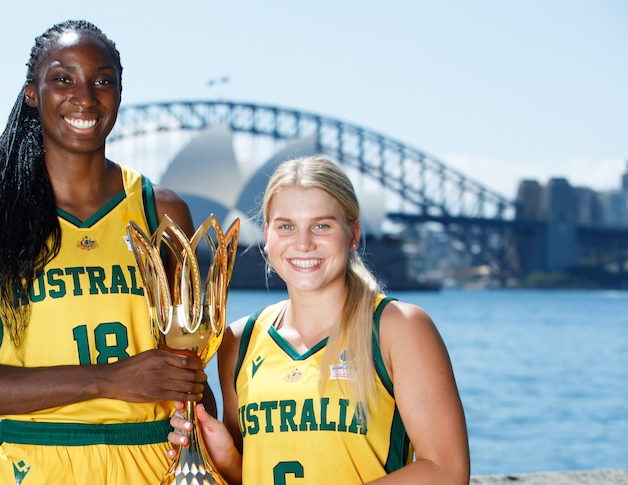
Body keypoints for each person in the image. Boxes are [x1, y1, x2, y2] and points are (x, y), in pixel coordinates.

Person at [0, 20, 213, 485]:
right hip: (38, 463)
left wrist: (211, 451)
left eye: (103, 80)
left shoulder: (162, 210)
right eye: (63, 78)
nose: (86, 96)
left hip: (156, 462)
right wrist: (107, 380)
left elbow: (188, 368)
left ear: (119, 93)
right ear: (32, 93)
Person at [166, 156, 470, 484]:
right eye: (286, 226)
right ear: (267, 237)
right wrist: (228, 461)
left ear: (353, 233)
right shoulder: (239, 340)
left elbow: (447, 471)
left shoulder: (398, 328)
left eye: (321, 225)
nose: (303, 243)